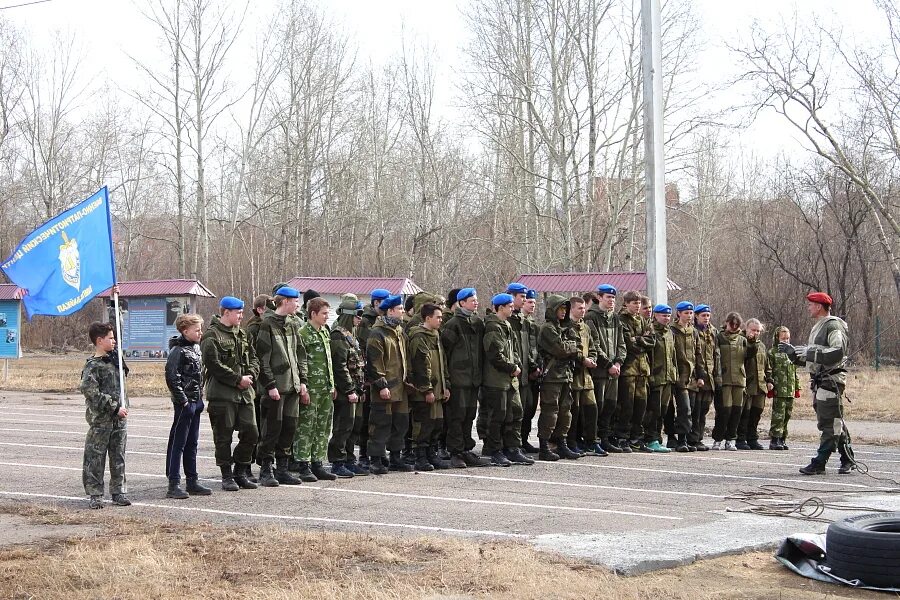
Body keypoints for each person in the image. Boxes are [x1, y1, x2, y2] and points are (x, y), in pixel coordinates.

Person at [780, 292, 854, 475]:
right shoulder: (818, 327)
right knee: (834, 421)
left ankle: (820, 462)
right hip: (821, 380)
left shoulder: (833, 325)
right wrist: (794, 355)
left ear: (819, 306)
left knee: (829, 423)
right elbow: (814, 358)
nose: (808, 307)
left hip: (831, 380)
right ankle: (847, 458)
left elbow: (837, 351)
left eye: (811, 304)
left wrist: (808, 353)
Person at [201, 296, 260, 491]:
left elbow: (254, 357)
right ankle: (226, 475)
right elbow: (213, 365)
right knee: (223, 437)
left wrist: (250, 374)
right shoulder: (212, 335)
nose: (242, 316)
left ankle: (241, 471)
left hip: (245, 393)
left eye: (242, 312)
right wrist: (237, 379)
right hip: (223, 394)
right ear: (226, 312)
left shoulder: (242, 334)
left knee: (252, 432)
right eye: (238, 313)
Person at [255, 286, 306, 487]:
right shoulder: (267, 325)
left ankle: (283, 469)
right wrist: (270, 384)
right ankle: (266, 470)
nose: (298, 304)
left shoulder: (293, 324)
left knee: (289, 428)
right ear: (285, 301)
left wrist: (303, 381)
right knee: (271, 429)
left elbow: (300, 354)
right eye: (295, 301)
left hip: (292, 387)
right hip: (276, 388)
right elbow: (262, 358)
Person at [81, 321, 130, 509]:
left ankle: (118, 491)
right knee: (95, 457)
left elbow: (117, 321)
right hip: (102, 420)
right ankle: (95, 494)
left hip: (120, 419)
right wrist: (113, 408)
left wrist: (113, 299)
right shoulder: (93, 366)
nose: (114, 341)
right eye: (110, 338)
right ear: (100, 341)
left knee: (118, 456)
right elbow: (90, 391)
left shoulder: (115, 359)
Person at [440, 288, 490, 468]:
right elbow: (444, 353)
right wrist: (447, 380)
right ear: (461, 303)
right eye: (471, 300)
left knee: (469, 415)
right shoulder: (453, 324)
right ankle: (455, 452)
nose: (475, 302)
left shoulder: (477, 323)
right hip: (458, 379)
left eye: (476, 299)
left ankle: (466, 450)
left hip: (474, 379)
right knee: (457, 416)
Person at [481, 293, 533, 467]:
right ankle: (495, 450)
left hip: (510, 380)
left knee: (516, 413)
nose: (513, 308)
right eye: (509, 306)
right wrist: (512, 368)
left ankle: (513, 448)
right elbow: (495, 355)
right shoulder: (493, 327)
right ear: (500, 307)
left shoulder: (506, 325)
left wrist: (516, 364)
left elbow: (513, 351)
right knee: (498, 416)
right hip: (496, 380)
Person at [164, 313, 212, 499]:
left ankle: (192, 480)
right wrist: (183, 401)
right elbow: (172, 377)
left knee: (192, 443)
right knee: (179, 444)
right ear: (185, 331)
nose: (200, 332)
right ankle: (173, 482)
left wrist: (199, 399)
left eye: (201, 329)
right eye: (197, 329)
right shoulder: (178, 351)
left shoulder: (196, 349)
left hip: (196, 401)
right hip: (184, 404)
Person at [366, 294, 413, 474]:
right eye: (399, 309)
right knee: (380, 424)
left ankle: (395, 457)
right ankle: (376, 460)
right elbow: (374, 362)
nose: (402, 312)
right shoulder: (378, 333)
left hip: (400, 387)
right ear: (391, 311)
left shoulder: (399, 331)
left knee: (400, 423)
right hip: (385, 388)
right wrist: (381, 385)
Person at [294, 297, 337, 482]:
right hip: (311, 387)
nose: (327, 317)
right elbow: (300, 362)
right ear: (313, 314)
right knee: (306, 427)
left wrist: (332, 384)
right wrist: (304, 388)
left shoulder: (325, 332)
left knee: (323, 427)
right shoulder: (303, 333)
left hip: (325, 388)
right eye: (324, 313)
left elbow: (328, 360)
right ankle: (303, 464)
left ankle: (317, 463)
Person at [407, 302, 452, 471]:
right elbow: (420, 365)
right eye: (438, 317)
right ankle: (420, 457)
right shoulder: (419, 336)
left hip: (438, 389)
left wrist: (446, 385)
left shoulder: (435, 334)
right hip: (425, 391)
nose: (441, 320)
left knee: (436, 423)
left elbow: (442, 363)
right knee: (423, 424)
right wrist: (427, 389)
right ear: (427, 318)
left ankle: (431, 454)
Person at [536, 294, 580, 461]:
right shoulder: (547, 328)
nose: (563, 312)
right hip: (552, 376)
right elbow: (560, 349)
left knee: (565, 412)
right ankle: (544, 446)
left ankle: (561, 443)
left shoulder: (567, 328)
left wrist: (571, 347)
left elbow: (578, 347)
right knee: (550, 411)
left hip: (566, 375)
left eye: (565, 308)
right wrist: (571, 347)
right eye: (560, 308)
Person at [329, 295, 369, 477]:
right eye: (357, 314)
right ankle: (338, 461)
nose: (360, 318)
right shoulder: (338, 335)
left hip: (356, 389)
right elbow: (340, 366)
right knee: (343, 427)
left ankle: (349, 459)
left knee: (355, 426)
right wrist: (349, 389)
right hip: (347, 391)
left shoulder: (352, 335)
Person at [585, 284, 626, 455]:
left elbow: (621, 344)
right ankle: (592, 440)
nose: (611, 301)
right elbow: (594, 344)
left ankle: (604, 438)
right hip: (600, 372)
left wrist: (618, 363)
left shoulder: (615, 318)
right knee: (597, 407)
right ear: (599, 297)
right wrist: (608, 365)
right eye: (608, 297)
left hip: (613, 373)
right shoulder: (591, 317)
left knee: (610, 406)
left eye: (613, 298)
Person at [615, 291, 656, 452]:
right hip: (629, 369)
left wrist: (638, 338)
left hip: (643, 369)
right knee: (627, 406)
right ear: (626, 303)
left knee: (641, 405)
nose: (637, 306)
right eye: (634, 303)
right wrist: (640, 340)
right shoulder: (622, 320)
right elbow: (628, 343)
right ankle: (622, 437)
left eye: (639, 303)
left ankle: (636, 437)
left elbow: (652, 341)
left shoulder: (643, 320)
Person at [710, 312, 755, 451]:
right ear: (726, 322)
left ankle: (730, 439)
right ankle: (718, 439)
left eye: (737, 325)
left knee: (736, 412)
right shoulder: (719, 337)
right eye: (732, 324)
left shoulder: (743, 340)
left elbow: (750, 356)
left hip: (739, 380)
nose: (734, 327)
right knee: (724, 411)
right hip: (724, 379)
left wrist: (752, 342)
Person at [356, 288, 390, 469]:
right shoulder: (366, 322)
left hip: (381, 375)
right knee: (367, 418)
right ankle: (363, 454)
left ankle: (379, 452)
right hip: (369, 377)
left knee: (380, 418)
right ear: (376, 303)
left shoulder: (382, 321)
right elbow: (365, 350)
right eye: (385, 303)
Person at [566, 296, 600, 456]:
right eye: (579, 308)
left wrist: (592, 359)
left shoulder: (585, 327)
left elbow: (593, 346)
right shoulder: (566, 327)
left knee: (591, 409)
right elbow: (569, 350)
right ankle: (572, 441)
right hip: (574, 375)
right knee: (575, 410)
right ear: (571, 309)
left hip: (587, 377)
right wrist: (582, 360)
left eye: (584, 308)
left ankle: (591, 441)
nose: (583, 310)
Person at [736, 318, 772, 450]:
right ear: (746, 328)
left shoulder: (761, 345)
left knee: (756, 413)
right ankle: (740, 438)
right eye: (753, 330)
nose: (755, 333)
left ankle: (752, 438)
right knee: (744, 413)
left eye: (758, 331)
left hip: (760, 385)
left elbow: (767, 365)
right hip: (747, 384)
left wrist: (769, 380)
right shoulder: (741, 342)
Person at [644, 304, 675, 453]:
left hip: (667, 377)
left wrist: (673, 373)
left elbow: (672, 355)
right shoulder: (651, 330)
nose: (666, 318)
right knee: (653, 410)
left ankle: (657, 438)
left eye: (668, 316)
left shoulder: (669, 332)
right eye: (663, 315)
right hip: (655, 377)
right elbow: (648, 356)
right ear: (655, 315)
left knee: (663, 410)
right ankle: (650, 439)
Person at [667, 301, 696, 452]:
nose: (689, 316)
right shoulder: (671, 330)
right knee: (672, 408)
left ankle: (683, 438)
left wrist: (700, 375)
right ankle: (672, 437)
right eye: (686, 313)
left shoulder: (693, 331)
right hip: (674, 374)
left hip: (689, 376)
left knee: (686, 408)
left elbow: (697, 355)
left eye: (691, 313)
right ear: (678, 313)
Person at [690, 304, 719, 451]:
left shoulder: (713, 332)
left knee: (704, 410)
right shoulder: (693, 331)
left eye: (708, 315)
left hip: (710, 377)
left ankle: (698, 438)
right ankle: (692, 438)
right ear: (696, 316)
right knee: (695, 409)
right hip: (696, 376)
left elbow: (716, 355)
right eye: (703, 315)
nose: (706, 318)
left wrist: (717, 376)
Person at [768, 326, 801, 450]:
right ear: (777, 338)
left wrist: (797, 388)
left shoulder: (791, 353)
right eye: (783, 338)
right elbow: (769, 370)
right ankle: (774, 439)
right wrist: (770, 384)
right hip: (779, 389)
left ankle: (782, 438)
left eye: (787, 338)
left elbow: (794, 371)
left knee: (787, 415)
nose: (786, 341)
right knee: (778, 415)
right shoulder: (773, 352)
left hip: (790, 389)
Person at [519, 289, 543, 453]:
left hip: (534, 374)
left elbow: (537, 349)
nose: (532, 305)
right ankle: (516, 441)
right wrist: (532, 367)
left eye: (534, 302)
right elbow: (522, 349)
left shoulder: (534, 325)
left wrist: (538, 367)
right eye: (529, 302)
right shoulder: (519, 323)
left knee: (530, 409)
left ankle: (524, 439)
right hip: (523, 373)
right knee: (520, 409)